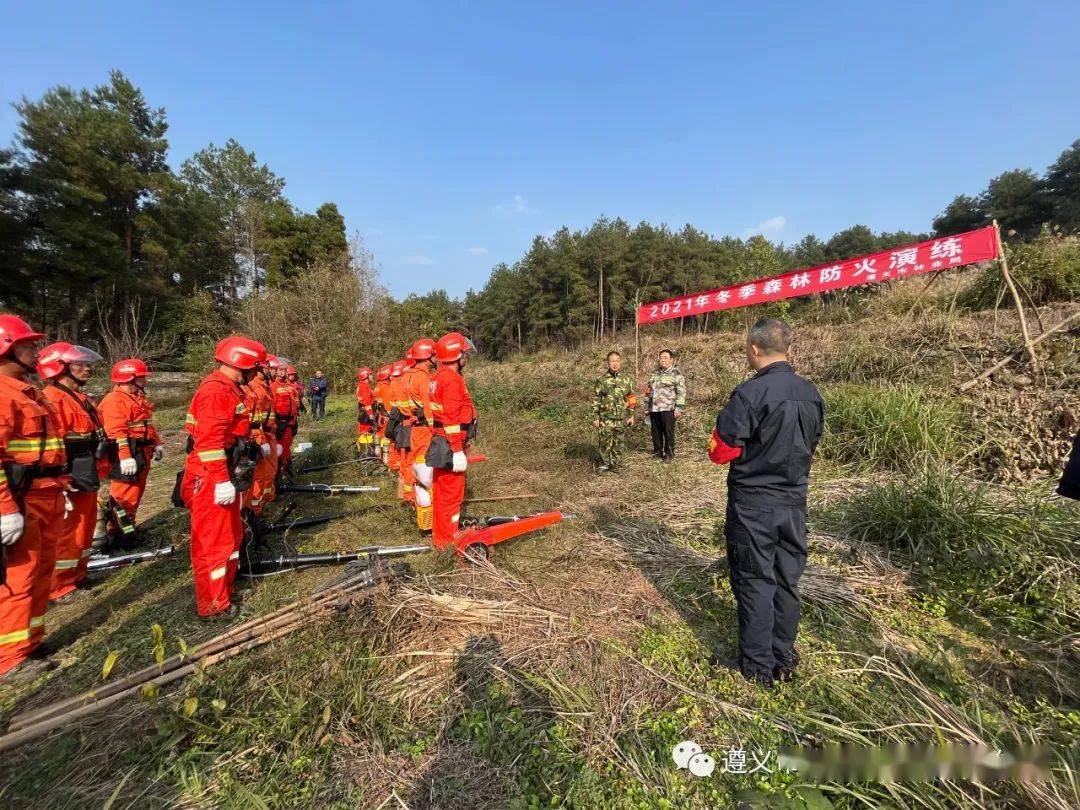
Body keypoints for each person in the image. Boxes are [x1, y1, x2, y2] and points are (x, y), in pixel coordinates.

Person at [708, 317, 824, 688]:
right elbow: (813, 444)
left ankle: (757, 667)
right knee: (786, 579)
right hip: (794, 502)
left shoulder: (750, 394)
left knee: (755, 581)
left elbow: (722, 451)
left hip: (754, 504)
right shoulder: (811, 394)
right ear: (787, 349)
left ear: (753, 349)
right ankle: (783, 655)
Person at [0, 315, 67, 680]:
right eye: (27, 345)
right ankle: (10, 656)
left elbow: (45, 446)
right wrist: (5, 509)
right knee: (20, 575)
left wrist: (63, 476)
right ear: (6, 348)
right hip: (20, 498)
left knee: (42, 569)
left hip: (46, 491)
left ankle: (31, 638)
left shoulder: (27, 391)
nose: (35, 351)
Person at [181, 335, 266, 619]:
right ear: (242, 363)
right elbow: (209, 444)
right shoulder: (216, 392)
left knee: (231, 536)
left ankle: (226, 591)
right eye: (255, 367)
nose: (257, 372)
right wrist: (220, 480)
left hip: (223, 472)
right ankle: (213, 605)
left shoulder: (228, 389)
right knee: (213, 543)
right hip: (209, 478)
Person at [37, 342, 107, 601]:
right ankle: (60, 587)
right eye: (79, 364)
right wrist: (61, 479)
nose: (86, 368)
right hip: (71, 473)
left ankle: (78, 574)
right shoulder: (53, 400)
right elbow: (55, 445)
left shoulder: (78, 398)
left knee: (84, 527)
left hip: (86, 469)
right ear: (59, 368)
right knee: (69, 531)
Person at [99, 358, 162, 546]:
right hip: (127, 454)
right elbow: (116, 432)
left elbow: (146, 424)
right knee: (124, 497)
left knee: (135, 494)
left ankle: (129, 526)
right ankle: (119, 534)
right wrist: (125, 457)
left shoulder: (137, 397)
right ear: (131, 378)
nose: (145, 381)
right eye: (142, 377)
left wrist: (156, 443)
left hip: (141, 451)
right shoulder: (114, 401)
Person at [430, 332, 477, 549]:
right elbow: (450, 417)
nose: (465, 356)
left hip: (443, 441)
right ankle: (450, 541)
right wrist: (457, 450)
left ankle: (441, 538)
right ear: (456, 355)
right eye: (463, 353)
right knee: (451, 494)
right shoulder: (451, 379)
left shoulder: (438, 376)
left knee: (441, 493)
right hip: (451, 444)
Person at [403, 339, 437, 533]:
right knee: (427, 475)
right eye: (433, 355)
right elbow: (428, 406)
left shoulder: (409, 375)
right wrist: (435, 429)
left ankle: (422, 514)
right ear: (428, 356)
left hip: (415, 429)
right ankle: (431, 521)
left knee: (418, 469)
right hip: (424, 430)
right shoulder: (423, 378)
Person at [592, 351, 637, 472]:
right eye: (612, 361)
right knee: (605, 441)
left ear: (620, 362)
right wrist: (596, 417)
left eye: (617, 360)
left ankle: (616, 464)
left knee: (619, 442)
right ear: (608, 363)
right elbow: (596, 399)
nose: (615, 363)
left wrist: (631, 416)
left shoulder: (627, 380)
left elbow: (631, 398)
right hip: (605, 418)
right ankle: (605, 463)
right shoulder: (601, 380)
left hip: (621, 418)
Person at [644, 349, 687, 464]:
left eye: (665, 357)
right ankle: (657, 452)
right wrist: (647, 407)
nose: (663, 360)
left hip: (668, 409)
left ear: (671, 360)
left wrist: (679, 408)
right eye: (661, 357)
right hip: (654, 409)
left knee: (668, 433)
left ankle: (669, 454)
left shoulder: (676, 374)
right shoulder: (655, 374)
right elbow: (648, 391)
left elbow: (681, 393)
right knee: (656, 432)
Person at [373, 365, 393, 464]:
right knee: (386, 437)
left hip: (379, 415)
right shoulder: (386, 387)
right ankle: (385, 459)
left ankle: (378, 456)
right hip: (385, 417)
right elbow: (388, 405)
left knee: (378, 435)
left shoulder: (378, 386)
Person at [354, 367, 376, 457]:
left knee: (363, 431)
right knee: (365, 432)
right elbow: (367, 402)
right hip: (366, 413)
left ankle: (363, 453)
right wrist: (370, 414)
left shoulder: (362, 385)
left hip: (363, 412)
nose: (372, 376)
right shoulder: (364, 386)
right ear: (365, 376)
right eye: (370, 374)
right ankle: (366, 455)